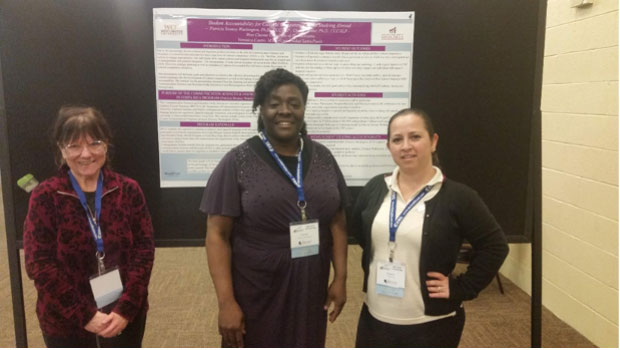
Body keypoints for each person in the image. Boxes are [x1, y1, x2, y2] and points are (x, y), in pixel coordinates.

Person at [200, 68, 348, 347]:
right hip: (259, 287)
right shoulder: (237, 162)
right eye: (274, 103)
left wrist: (341, 277)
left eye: (294, 103)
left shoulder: (324, 158)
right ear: (261, 108)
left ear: (304, 108)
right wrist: (226, 302)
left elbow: (337, 219)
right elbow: (216, 235)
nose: (285, 110)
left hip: (310, 283)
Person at [350, 108, 509, 347]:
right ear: (389, 147)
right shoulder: (375, 188)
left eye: (415, 137)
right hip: (376, 316)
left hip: (431, 324)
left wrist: (463, 287)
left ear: (433, 142)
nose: (406, 146)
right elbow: (362, 234)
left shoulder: (459, 197)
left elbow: (495, 246)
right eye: (397, 139)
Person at [23, 105, 155, 347]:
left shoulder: (128, 190)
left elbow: (144, 252)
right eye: (74, 146)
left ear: (106, 144)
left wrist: (125, 309)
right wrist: (84, 315)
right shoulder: (45, 196)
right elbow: (39, 264)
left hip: (124, 317)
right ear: (62, 149)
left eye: (94, 143)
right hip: (66, 323)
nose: (86, 154)